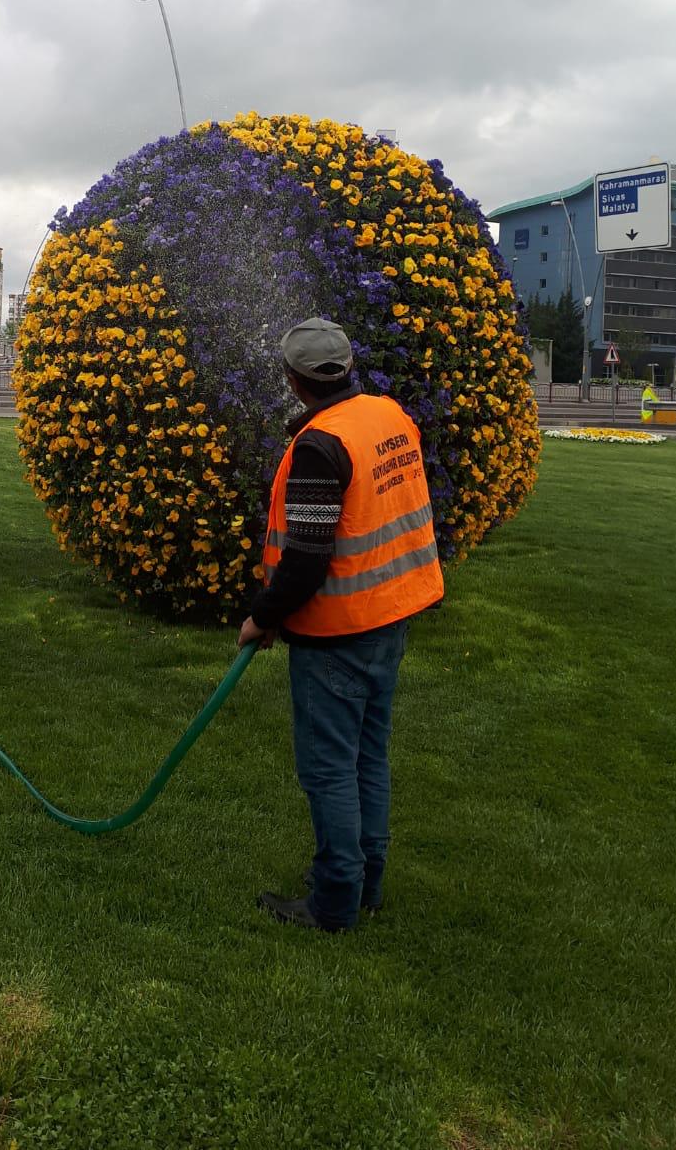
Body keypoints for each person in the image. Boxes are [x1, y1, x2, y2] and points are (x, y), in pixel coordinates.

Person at [238, 318, 443, 933]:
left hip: (339, 632)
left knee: (329, 767)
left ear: (295, 382)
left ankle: (333, 901)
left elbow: (305, 556)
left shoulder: (319, 448)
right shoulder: (388, 416)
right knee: (367, 758)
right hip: (391, 617)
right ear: (347, 369)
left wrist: (262, 616)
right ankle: (365, 883)